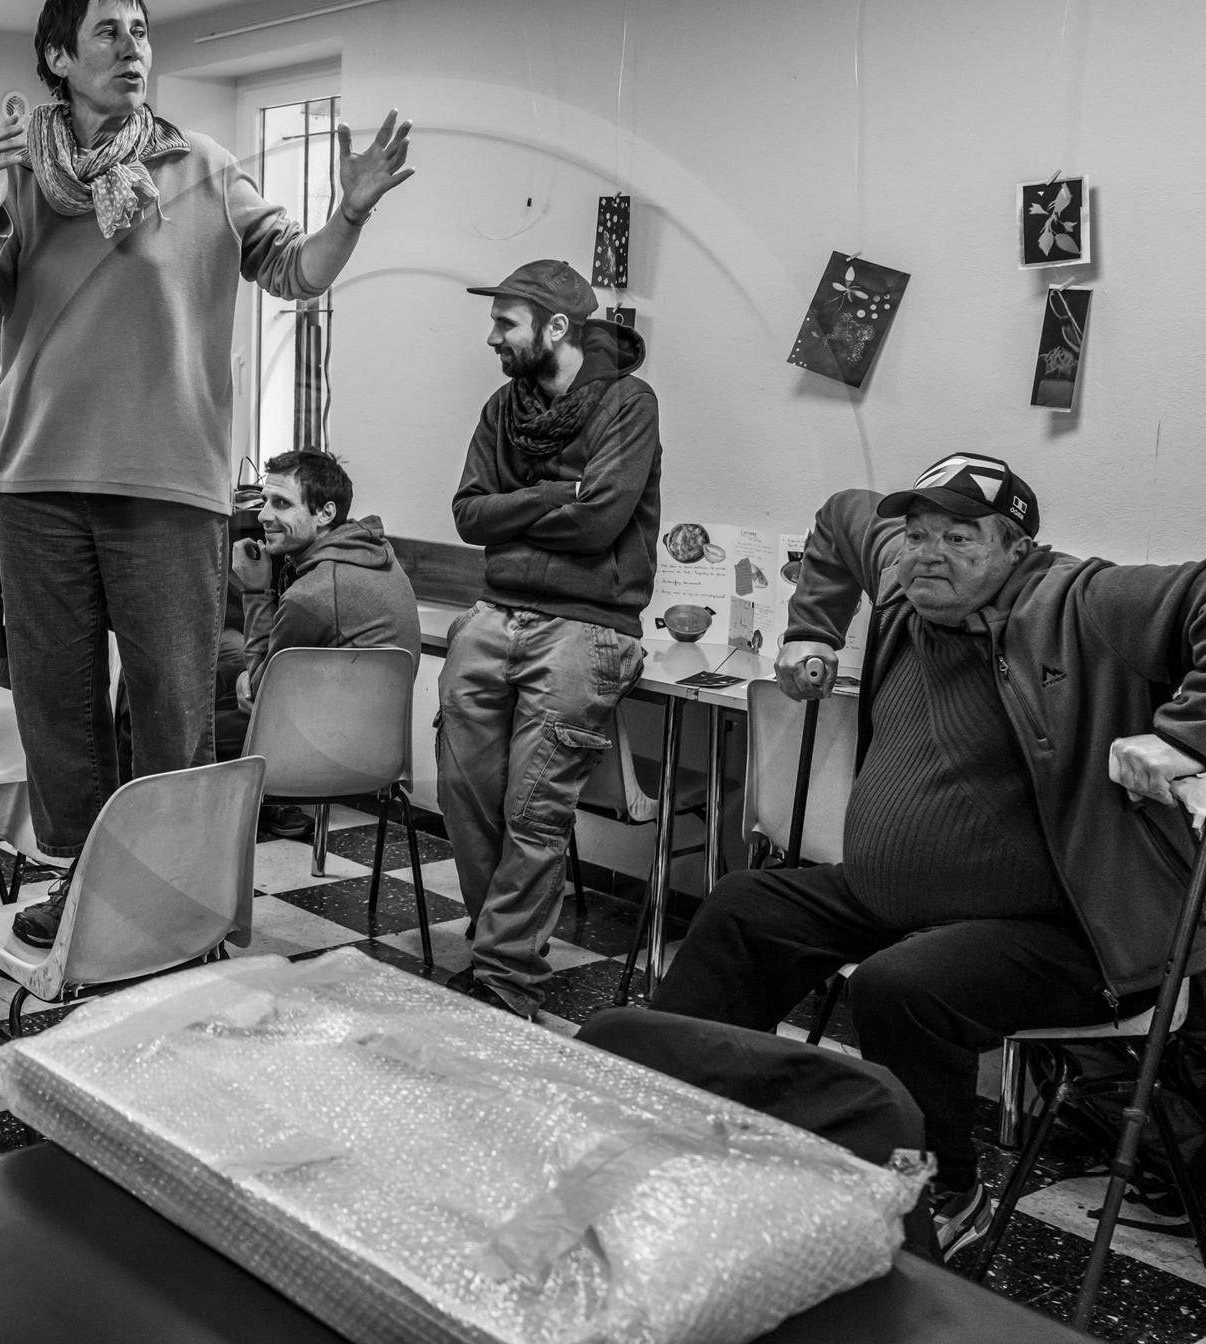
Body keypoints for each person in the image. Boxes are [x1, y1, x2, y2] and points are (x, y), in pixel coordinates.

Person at [0, 0, 413, 946]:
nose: (132, 48)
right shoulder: (20, 178)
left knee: (169, 711)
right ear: (58, 57)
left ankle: (174, 900)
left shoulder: (202, 166)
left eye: (141, 31)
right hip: (37, 483)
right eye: (107, 33)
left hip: (169, 486)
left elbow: (297, 271)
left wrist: (351, 212)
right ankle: (84, 888)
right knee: (57, 712)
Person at [651, 451, 1206, 1261]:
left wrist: (1186, 735)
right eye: (917, 534)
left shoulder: (1077, 601)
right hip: (894, 899)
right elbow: (842, 515)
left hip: (1067, 925)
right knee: (745, 908)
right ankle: (669, 1119)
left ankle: (943, 1192)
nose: (928, 554)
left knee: (902, 987)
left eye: (960, 537)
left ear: (1016, 548)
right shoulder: (909, 576)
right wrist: (811, 627)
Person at [438, 260, 662, 1019]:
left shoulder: (629, 403)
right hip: (493, 612)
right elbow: (468, 515)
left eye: (505, 323)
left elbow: (601, 522)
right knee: (464, 793)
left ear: (556, 327)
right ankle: (498, 941)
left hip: (587, 625)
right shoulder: (503, 408)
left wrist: (516, 512)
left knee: (532, 809)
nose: (492, 337)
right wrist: (552, 494)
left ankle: (504, 978)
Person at [231, 448, 422, 837]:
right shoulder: (376, 553)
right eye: (264, 501)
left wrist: (255, 590)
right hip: (385, 754)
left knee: (197, 717)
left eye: (281, 503)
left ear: (325, 513)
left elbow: (259, 696)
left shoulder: (314, 594)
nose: (263, 515)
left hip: (328, 757)